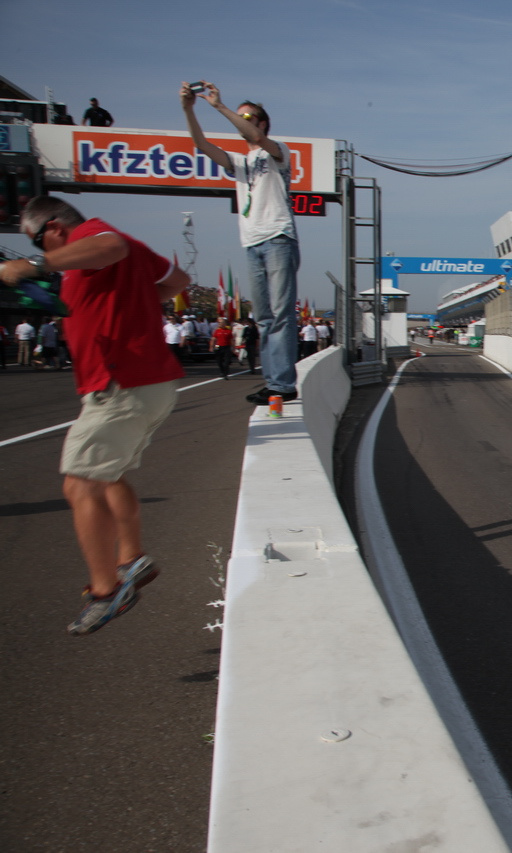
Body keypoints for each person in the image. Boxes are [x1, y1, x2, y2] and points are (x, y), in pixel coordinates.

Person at [0, 196, 188, 634]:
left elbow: (110, 247)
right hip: (141, 381)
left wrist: (32, 265)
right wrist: (134, 302)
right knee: (108, 477)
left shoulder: (93, 237)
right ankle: (132, 558)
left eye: (37, 241)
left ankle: (107, 591)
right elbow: (178, 281)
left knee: (79, 483)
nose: (39, 250)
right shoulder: (120, 251)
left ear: (54, 228)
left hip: (121, 382)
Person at [181, 81, 299, 406]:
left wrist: (219, 106)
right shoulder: (239, 162)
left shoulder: (278, 151)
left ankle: (283, 384)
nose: (241, 120)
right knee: (263, 318)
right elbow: (201, 144)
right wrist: (188, 109)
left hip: (278, 237)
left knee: (281, 314)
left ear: (262, 123)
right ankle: (274, 382)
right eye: (240, 115)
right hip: (252, 242)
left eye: (247, 116)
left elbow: (257, 138)